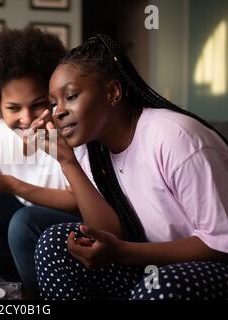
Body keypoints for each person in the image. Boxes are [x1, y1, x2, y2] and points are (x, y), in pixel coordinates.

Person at [33, 34, 228, 300]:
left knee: (159, 287)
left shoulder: (174, 138)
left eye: (71, 96)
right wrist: (67, 162)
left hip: (211, 268)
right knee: (53, 244)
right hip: (149, 263)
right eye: (54, 103)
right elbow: (108, 235)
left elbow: (220, 243)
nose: (58, 112)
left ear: (112, 92)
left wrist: (124, 252)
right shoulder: (91, 148)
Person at [0, 27, 82, 294]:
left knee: (23, 221)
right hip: (22, 223)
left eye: (37, 104)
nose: (25, 118)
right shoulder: (1, 132)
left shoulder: (70, 133)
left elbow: (77, 201)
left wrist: (11, 184)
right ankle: (13, 284)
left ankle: (36, 295)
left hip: (68, 224)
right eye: (13, 108)